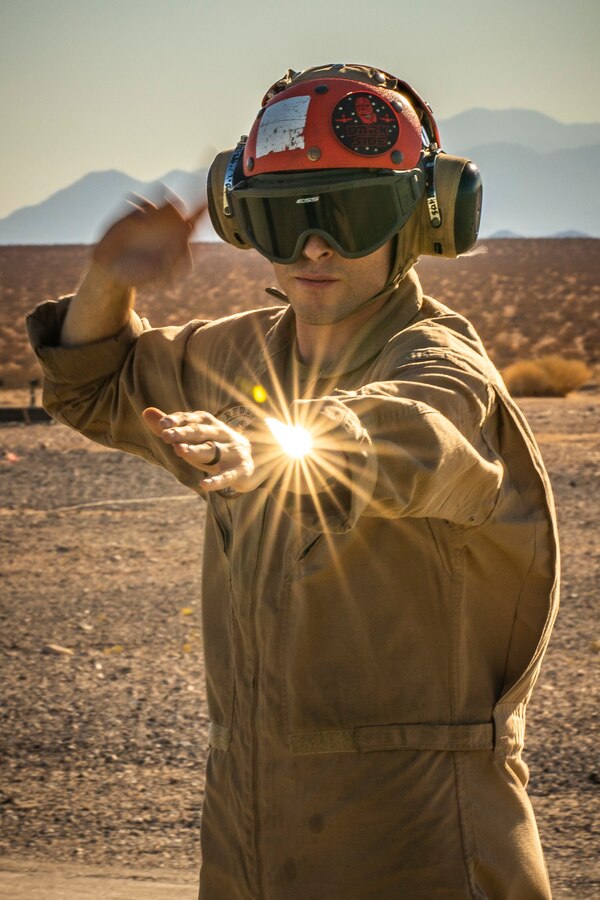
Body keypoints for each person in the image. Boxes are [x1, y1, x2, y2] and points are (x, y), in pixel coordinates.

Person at [26, 63, 559, 899]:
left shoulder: (441, 362)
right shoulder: (240, 356)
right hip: (249, 845)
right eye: (285, 219)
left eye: (351, 215)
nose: (315, 247)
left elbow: (418, 431)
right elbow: (93, 384)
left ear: (424, 220)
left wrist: (277, 450)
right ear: (243, 219)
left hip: (422, 847)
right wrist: (111, 278)